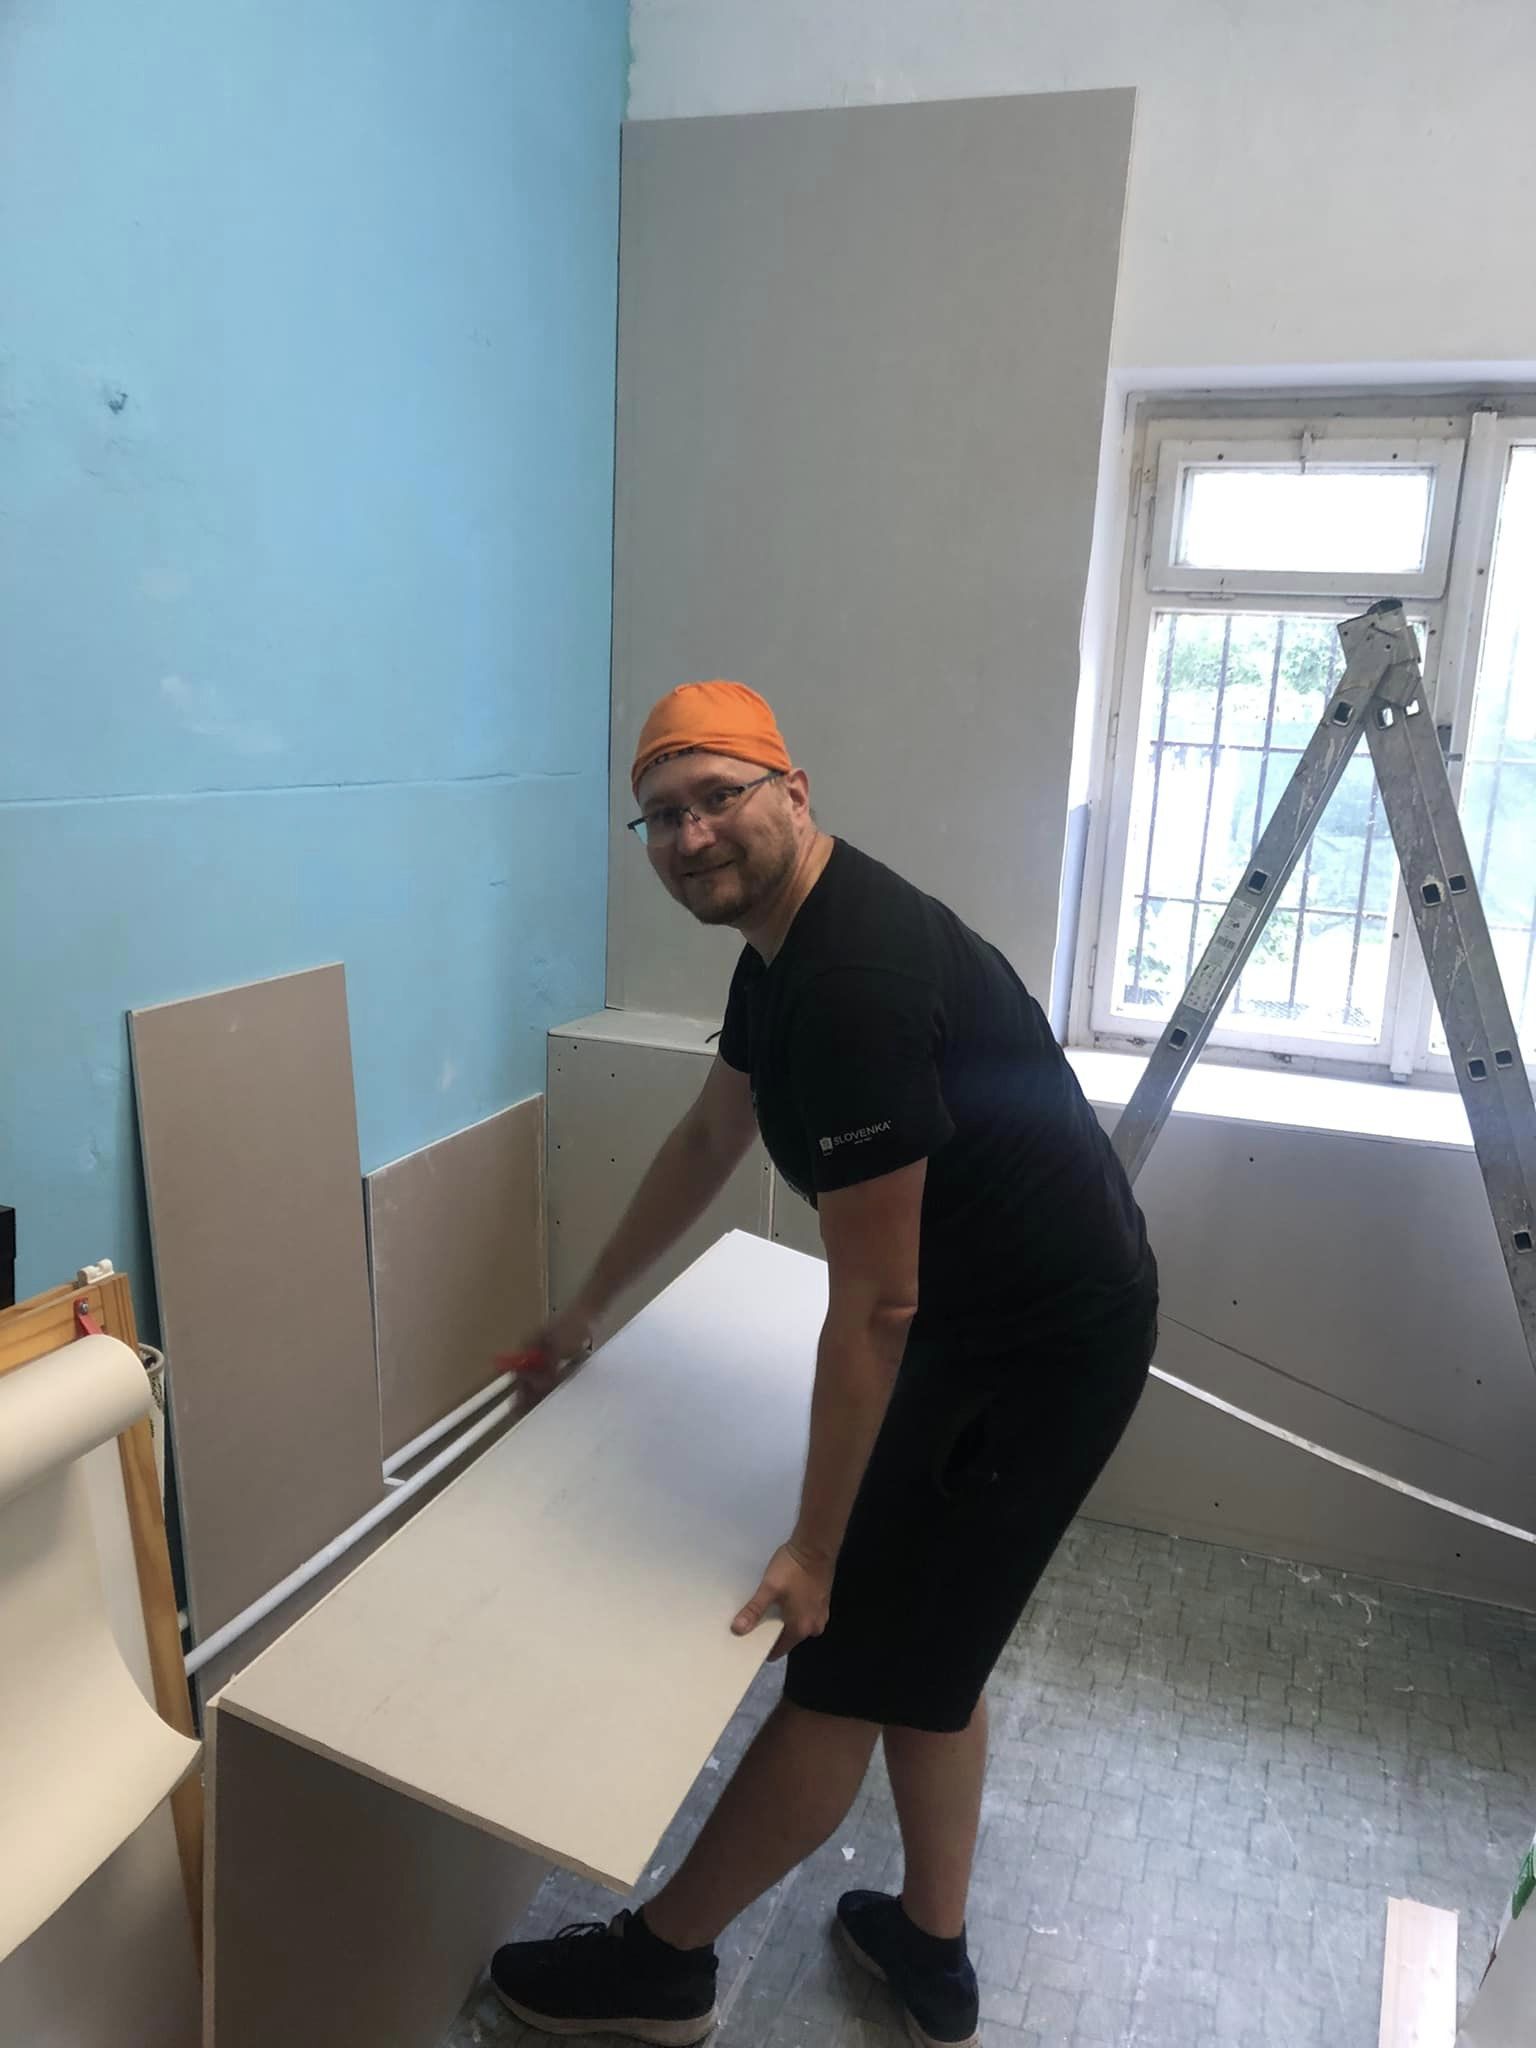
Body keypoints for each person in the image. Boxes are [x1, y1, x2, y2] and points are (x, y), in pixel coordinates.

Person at [489, 681, 1157, 2048]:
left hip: (1032, 1358)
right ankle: (930, 1947)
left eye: (718, 797)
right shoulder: (786, 947)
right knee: (938, 1647)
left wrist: (814, 1547)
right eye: (660, 816)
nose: (690, 836)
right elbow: (708, 1137)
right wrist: (587, 1312)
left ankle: (662, 1968)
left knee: (847, 1669)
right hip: (1000, 1323)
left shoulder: (854, 986)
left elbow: (876, 1311)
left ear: (793, 793)